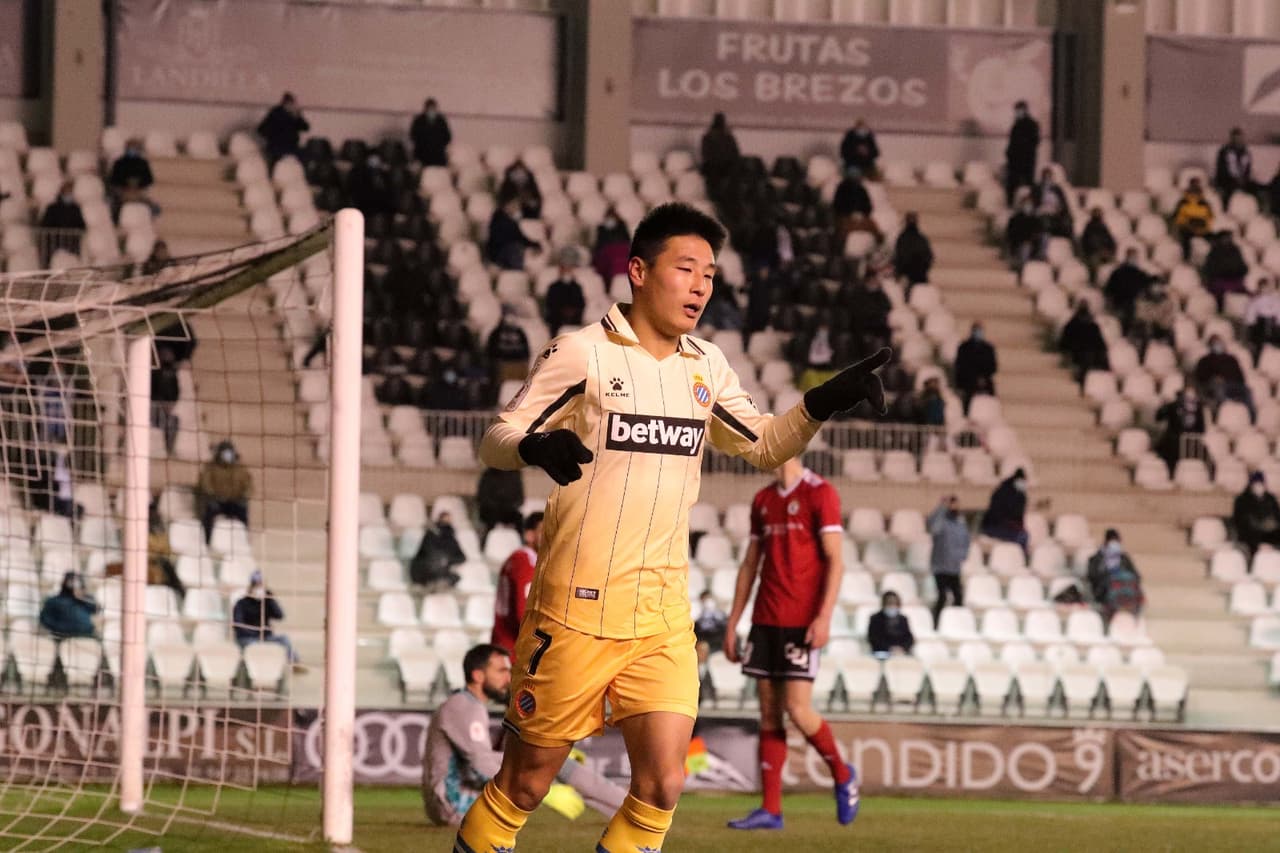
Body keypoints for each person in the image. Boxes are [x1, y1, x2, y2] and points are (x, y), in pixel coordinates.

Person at [454, 202, 889, 853]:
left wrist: (821, 400)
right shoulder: (583, 353)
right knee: (524, 784)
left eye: (709, 274)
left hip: (660, 616)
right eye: (685, 268)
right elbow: (496, 435)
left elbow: (765, 443)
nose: (700, 286)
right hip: (574, 610)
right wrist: (533, 449)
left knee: (662, 784)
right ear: (637, 271)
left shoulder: (705, 366)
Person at [722, 456, 858, 831]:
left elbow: (836, 561)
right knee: (768, 713)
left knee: (798, 710)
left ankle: (843, 774)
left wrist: (824, 616)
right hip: (765, 620)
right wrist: (733, 623)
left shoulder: (820, 493)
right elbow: (750, 564)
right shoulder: (763, 499)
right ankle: (771, 809)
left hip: (801, 622)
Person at [423, 644, 627, 827]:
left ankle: (622, 808)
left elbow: (479, 762)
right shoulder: (464, 707)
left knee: (550, 761)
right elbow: (480, 764)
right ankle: (626, 807)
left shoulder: (465, 704)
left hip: (453, 800)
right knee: (546, 764)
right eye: (501, 671)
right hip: (454, 804)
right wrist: (544, 789)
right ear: (478, 676)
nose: (508, 679)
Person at [231, 569, 303, 671]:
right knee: (253, 646)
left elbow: (280, 616)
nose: (259, 588)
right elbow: (238, 625)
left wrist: (270, 599)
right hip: (248, 638)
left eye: (261, 585)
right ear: (251, 586)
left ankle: (295, 664)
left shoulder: (266, 602)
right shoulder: (241, 603)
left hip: (265, 637)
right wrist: (255, 634)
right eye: (256, 585)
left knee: (284, 639)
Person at [492, 513, 541, 653]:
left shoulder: (514, 559)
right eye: (545, 530)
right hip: (517, 648)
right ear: (529, 535)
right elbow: (524, 613)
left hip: (503, 642)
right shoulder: (526, 562)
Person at [195, 440, 252, 542]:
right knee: (208, 515)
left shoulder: (240, 468)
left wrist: (244, 497)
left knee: (243, 514)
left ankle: (244, 540)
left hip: (234, 502)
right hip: (217, 502)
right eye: (225, 453)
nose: (227, 456)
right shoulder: (210, 467)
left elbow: (249, 486)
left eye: (229, 453)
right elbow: (204, 483)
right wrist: (212, 496)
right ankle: (207, 541)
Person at [927, 495, 969, 628]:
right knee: (942, 597)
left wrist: (962, 556)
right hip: (940, 567)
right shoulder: (941, 522)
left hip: (954, 568)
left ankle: (956, 624)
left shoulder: (960, 524)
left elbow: (966, 542)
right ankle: (936, 624)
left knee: (958, 597)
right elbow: (932, 527)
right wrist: (941, 507)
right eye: (952, 505)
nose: (954, 507)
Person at [1195, 335, 1255, 421]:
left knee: (1247, 390)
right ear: (1210, 345)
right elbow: (1200, 377)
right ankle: (1222, 414)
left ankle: (1251, 416)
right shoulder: (1204, 361)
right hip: (1216, 385)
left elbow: (1241, 377)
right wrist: (1213, 378)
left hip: (1233, 385)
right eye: (1214, 343)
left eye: (1218, 343)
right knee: (1219, 387)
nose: (1217, 345)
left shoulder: (1231, 359)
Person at [409, 511, 467, 589]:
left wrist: (448, 561)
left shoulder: (450, 538)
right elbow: (426, 553)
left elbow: (461, 557)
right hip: (426, 569)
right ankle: (433, 583)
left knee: (454, 577)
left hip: (442, 569)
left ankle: (439, 583)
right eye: (445, 520)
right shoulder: (431, 534)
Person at [1154, 388, 1205, 475]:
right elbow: (1159, 417)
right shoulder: (1172, 406)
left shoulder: (1197, 408)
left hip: (1191, 440)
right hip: (1173, 440)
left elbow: (1201, 427)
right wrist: (1163, 406)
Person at [1104, 247, 1155, 331]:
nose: (1134, 259)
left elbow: (1149, 289)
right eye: (1132, 257)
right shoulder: (1117, 274)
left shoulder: (1141, 274)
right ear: (1127, 257)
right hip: (1120, 307)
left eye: (1135, 257)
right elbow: (1109, 292)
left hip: (1136, 307)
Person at [980, 468, 1029, 552]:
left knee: (1023, 535)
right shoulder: (1006, 493)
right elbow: (1001, 515)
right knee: (1022, 537)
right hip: (994, 526)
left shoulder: (1016, 493)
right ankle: (1019, 558)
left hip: (1003, 525)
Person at [1233, 472, 1280, 560]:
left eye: (1261, 485)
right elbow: (1240, 522)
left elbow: (1277, 517)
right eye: (1256, 485)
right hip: (1250, 535)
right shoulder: (1242, 500)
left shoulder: (1270, 498)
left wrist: (1271, 524)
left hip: (1270, 533)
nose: (1259, 488)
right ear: (1251, 486)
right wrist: (1259, 524)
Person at [486, 196, 540, 271]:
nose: (515, 208)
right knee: (515, 247)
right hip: (499, 252)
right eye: (513, 205)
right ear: (506, 205)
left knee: (518, 248)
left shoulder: (510, 220)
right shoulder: (500, 219)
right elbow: (516, 237)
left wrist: (535, 244)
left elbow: (520, 237)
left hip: (506, 251)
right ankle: (518, 270)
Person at [1058, 303, 1109, 381]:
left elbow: (1101, 345)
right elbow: (1064, 343)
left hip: (1090, 356)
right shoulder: (1071, 325)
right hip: (1077, 355)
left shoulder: (1093, 327)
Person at [38, 572, 97, 640]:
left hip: (85, 637)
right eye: (72, 582)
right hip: (60, 637)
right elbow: (45, 620)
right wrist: (60, 630)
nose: (75, 586)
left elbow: (95, 613)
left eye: (78, 583)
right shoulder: (53, 601)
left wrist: (82, 598)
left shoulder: (87, 601)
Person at [953, 323, 997, 411]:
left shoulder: (988, 348)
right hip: (967, 381)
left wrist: (983, 377)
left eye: (979, 331)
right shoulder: (963, 347)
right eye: (976, 331)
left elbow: (993, 366)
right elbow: (960, 366)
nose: (978, 333)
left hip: (985, 380)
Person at [257, 92, 309, 165]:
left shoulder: (294, 115)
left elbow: (305, 128)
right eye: (291, 104)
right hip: (278, 148)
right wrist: (273, 136)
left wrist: (297, 117)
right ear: (286, 104)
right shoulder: (275, 113)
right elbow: (261, 130)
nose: (293, 106)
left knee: (305, 155)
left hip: (291, 147)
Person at [544, 248, 587, 336]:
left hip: (574, 323)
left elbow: (581, 305)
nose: (567, 270)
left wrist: (572, 312)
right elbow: (550, 307)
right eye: (564, 267)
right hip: (557, 324)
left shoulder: (577, 287)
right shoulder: (553, 287)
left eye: (570, 267)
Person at [1202, 231, 1249, 311]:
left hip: (1235, 279)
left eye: (1229, 238)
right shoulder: (1214, 252)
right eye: (1225, 238)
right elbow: (1209, 269)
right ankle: (1220, 308)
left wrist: (1236, 271)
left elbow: (1242, 267)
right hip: (1220, 280)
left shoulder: (1236, 251)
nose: (1227, 240)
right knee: (1218, 291)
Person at [1005, 100, 1040, 204]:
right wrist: (1009, 154)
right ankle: (1011, 205)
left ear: (1024, 110)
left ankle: (1029, 206)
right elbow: (1012, 142)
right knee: (1012, 185)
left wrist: (1022, 149)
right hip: (1014, 161)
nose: (1017, 112)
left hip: (1026, 160)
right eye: (1016, 110)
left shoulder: (1032, 124)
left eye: (1018, 110)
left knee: (1028, 184)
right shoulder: (1016, 125)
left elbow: (1034, 142)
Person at [108, 137, 156, 212]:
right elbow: (114, 181)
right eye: (130, 147)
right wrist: (125, 188)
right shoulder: (119, 163)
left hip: (139, 192)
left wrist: (137, 186)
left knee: (154, 209)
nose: (132, 150)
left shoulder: (143, 163)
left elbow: (149, 180)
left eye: (135, 148)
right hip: (123, 193)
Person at [485, 308, 532, 383]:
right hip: (502, 366)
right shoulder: (496, 333)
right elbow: (491, 354)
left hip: (519, 366)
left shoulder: (520, 332)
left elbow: (526, 353)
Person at [1131, 280, 1177, 354]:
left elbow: (1167, 321)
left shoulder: (1166, 302)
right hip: (1145, 330)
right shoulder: (1141, 301)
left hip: (1160, 330)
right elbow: (1141, 318)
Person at [476, 466, 525, 534]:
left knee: (519, 519)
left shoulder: (515, 474)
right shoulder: (488, 474)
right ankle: (485, 541)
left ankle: (521, 541)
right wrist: (496, 506)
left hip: (509, 510)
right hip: (491, 509)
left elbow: (520, 499)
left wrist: (509, 506)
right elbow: (482, 497)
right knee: (490, 519)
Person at [151, 345, 180, 456]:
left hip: (165, 410)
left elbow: (176, 393)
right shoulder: (154, 373)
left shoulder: (173, 374)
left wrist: (170, 405)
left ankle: (169, 449)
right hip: (152, 408)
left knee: (173, 421)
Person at [1173, 178, 1214, 257]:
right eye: (1193, 185)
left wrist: (1204, 227)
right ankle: (1186, 259)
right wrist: (1188, 223)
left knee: (1213, 239)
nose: (1195, 187)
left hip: (1202, 229)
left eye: (1197, 185)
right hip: (1188, 228)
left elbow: (1210, 218)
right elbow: (1178, 218)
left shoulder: (1205, 203)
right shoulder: (1183, 202)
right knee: (1185, 240)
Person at [1214, 127, 1255, 205]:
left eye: (1240, 138)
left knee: (1256, 188)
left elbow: (1247, 169)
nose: (1238, 140)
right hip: (1227, 180)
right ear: (1232, 139)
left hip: (1243, 180)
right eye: (1236, 138)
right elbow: (1221, 169)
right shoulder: (1224, 151)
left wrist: (1244, 179)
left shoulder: (1246, 152)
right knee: (1228, 192)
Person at [892, 211, 934, 288]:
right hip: (912, 275)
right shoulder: (919, 238)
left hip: (915, 275)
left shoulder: (919, 238)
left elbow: (928, 257)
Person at [867, 591, 913, 656]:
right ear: (884, 604)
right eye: (889, 603)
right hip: (881, 653)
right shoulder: (875, 619)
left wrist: (902, 648)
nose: (892, 606)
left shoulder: (903, 619)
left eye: (895, 603)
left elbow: (909, 638)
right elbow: (873, 638)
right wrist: (889, 649)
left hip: (900, 653)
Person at [409, 97, 451, 167]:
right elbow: (413, 136)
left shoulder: (441, 121)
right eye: (429, 109)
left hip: (438, 156)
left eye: (433, 108)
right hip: (422, 155)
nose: (431, 111)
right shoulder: (419, 121)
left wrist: (438, 144)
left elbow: (448, 137)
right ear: (425, 109)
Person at [700, 112, 740, 184]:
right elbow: (735, 154)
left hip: (713, 170)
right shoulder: (728, 136)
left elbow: (704, 154)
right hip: (725, 170)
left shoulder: (707, 136)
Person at [592, 210, 630, 281]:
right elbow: (599, 244)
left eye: (612, 217)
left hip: (619, 253)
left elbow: (627, 241)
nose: (611, 219)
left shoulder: (622, 226)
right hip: (607, 255)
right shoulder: (601, 228)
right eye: (609, 217)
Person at [1246, 276, 1280, 354]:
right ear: (1259, 288)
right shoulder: (1254, 301)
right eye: (1263, 287)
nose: (1265, 289)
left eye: (1267, 287)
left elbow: (1278, 315)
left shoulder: (1276, 300)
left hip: (1274, 326)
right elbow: (1250, 319)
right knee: (1258, 344)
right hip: (1260, 325)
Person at [1005, 195, 1043, 265]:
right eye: (1027, 204)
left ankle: (1025, 264)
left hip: (1030, 245)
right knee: (1025, 247)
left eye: (1030, 204)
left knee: (1027, 247)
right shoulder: (1015, 219)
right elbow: (1010, 234)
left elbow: (1038, 234)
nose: (1028, 206)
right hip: (1017, 243)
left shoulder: (1035, 220)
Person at [1079, 207, 1117, 273]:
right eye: (1096, 213)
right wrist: (1098, 251)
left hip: (1105, 251)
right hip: (1093, 253)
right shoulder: (1089, 227)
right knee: (1095, 265)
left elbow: (1110, 240)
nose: (1099, 215)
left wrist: (1109, 250)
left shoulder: (1103, 227)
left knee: (1114, 265)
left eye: (1099, 213)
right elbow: (1086, 243)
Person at [693, 590, 727, 659]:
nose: (707, 602)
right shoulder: (698, 618)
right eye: (704, 599)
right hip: (702, 642)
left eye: (709, 598)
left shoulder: (721, 615)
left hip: (718, 643)